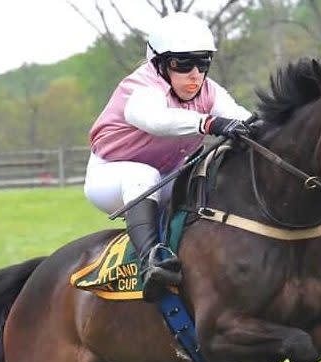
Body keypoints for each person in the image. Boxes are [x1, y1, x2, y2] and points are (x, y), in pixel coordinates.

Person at [84, 11, 252, 303]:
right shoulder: (141, 87)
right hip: (111, 175)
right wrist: (209, 123)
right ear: (159, 64)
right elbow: (154, 119)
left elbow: (248, 122)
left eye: (202, 63)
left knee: (214, 175)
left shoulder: (210, 91)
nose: (194, 74)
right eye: (182, 63)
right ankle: (152, 261)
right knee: (143, 176)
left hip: (168, 176)